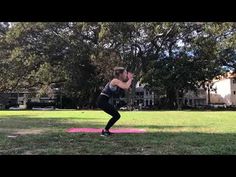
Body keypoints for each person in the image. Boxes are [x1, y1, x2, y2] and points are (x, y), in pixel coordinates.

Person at [97, 67, 134, 136]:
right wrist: (130, 78)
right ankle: (105, 131)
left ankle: (106, 130)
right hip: (102, 101)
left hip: (104, 101)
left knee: (116, 115)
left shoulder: (118, 81)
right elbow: (125, 86)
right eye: (125, 73)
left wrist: (129, 81)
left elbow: (126, 86)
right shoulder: (115, 81)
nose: (126, 75)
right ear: (120, 74)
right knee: (116, 115)